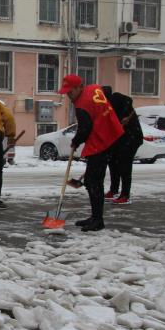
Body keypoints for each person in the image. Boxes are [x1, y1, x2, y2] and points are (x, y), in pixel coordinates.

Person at [58, 74, 123, 232]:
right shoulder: (93, 88)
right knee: (92, 180)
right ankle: (95, 217)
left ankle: (98, 220)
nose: (69, 96)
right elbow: (107, 90)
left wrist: (76, 141)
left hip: (101, 141)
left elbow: (85, 129)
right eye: (66, 93)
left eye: (70, 92)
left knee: (93, 182)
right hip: (111, 134)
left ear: (79, 87)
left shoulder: (82, 105)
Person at [104, 86, 143, 205]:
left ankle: (125, 195)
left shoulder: (116, 98)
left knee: (125, 165)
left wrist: (124, 116)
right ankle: (114, 190)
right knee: (113, 162)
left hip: (131, 137)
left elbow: (129, 100)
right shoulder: (106, 106)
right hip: (119, 138)